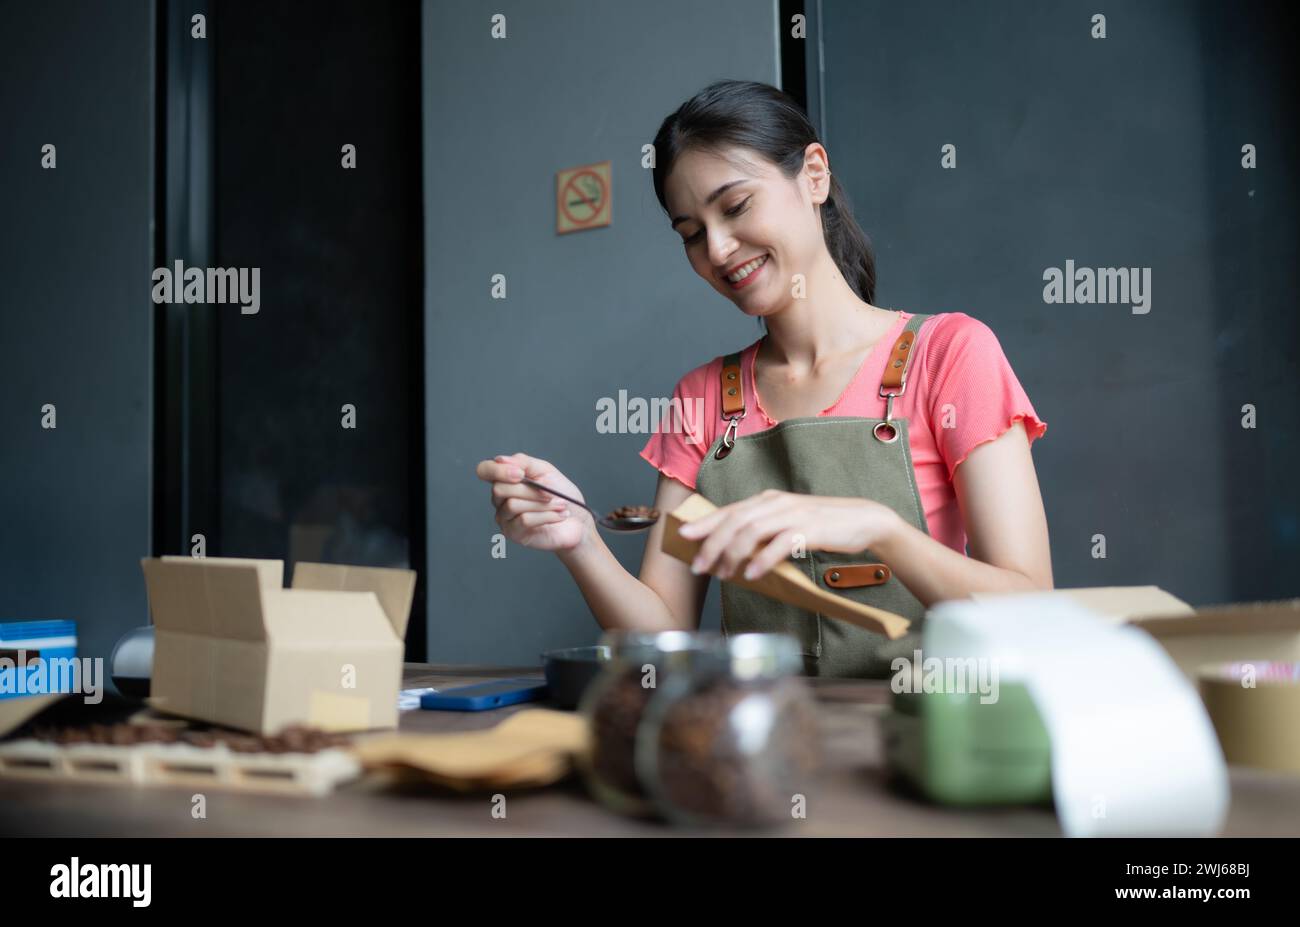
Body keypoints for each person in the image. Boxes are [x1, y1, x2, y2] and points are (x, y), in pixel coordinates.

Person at [475, 79, 1051, 678]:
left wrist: (882, 530)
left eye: (736, 206)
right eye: (691, 235)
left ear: (814, 175)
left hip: (922, 742)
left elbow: (1031, 609)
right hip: (763, 743)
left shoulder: (950, 354)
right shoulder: (700, 399)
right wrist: (579, 541)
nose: (719, 250)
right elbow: (662, 638)